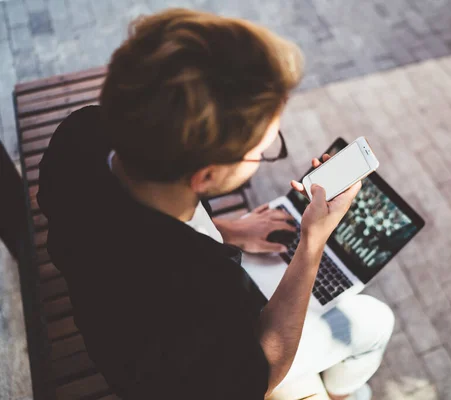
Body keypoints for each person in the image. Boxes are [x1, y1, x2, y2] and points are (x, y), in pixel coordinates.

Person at [37, 9, 394, 400]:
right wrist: (312, 240)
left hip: (117, 323)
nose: (265, 152)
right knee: (374, 321)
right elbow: (260, 372)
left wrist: (235, 230)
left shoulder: (82, 133)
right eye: (261, 150)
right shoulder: (196, 286)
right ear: (204, 177)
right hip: (194, 379)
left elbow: (141, 219)